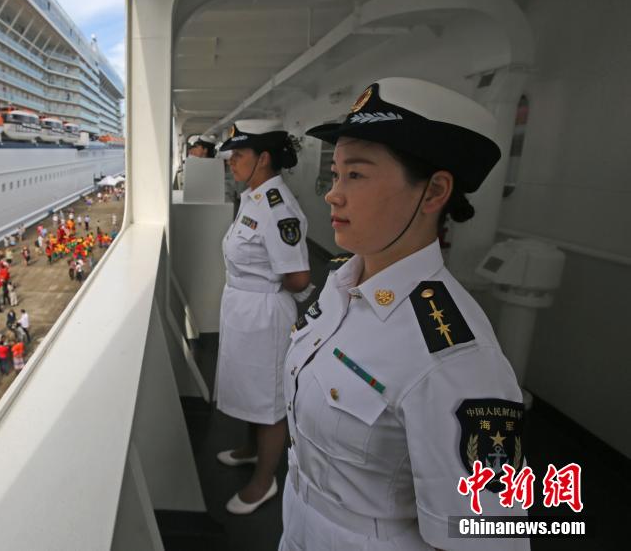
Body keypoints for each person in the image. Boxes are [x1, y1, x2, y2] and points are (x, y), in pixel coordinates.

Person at [280, 79, 529, 551]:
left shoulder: (457, 357)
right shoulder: (340, 285)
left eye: (356, 175)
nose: (333, 194)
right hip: (299, 522)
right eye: (335, 174)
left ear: (433, 192)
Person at [214, 119, 311, 515]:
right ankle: (251, 449)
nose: (232, 162)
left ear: (264, 158)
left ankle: (264, 480)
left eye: (239, 155)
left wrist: (264, 293)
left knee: (268, 400)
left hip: (264, 315)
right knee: (247, 384)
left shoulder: (278, 207)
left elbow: (299, 276)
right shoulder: (253, 196)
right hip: (243, 310)